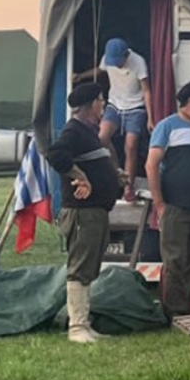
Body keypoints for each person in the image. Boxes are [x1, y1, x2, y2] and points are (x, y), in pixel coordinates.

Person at [46, 83, 123, 344]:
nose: (103, 104)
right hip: (82, 212)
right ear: (91, 104)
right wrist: (80, 176)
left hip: (96, 211)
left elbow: (93, 162)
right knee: (80, 267)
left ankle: (85, 323)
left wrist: (114, 175)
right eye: (101, 100)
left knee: (90, 267)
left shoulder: (89, 132)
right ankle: (77, 327)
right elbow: (55, 154)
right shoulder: (73, 130)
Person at [146, 81, 190, 320]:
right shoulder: (168, 126)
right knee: (175, 260)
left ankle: (187, 305)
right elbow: (152, 165)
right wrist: (159, 203)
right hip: (176, 206)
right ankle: (173, 311)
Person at [73, 38, 154, 202]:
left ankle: (128, 188)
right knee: (102, 138)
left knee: (131, 145)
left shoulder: (138, 62)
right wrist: (80, 76)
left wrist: (150, 118)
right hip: (115, 104)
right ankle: (118, 172)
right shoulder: (108, 59)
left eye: (119, 61)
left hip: (135, 107)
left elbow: (146, 90)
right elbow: (99, 70)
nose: (116, 65)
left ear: (126, 55)